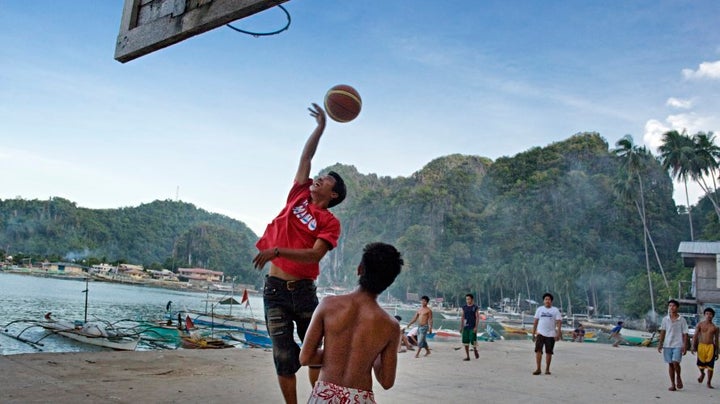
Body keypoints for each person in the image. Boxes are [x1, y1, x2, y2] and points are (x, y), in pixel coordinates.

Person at [252, 103, 347, 404]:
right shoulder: (298, 195)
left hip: (304, 292)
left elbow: (315, 255)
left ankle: (317, 401)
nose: (317, 179)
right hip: (275, 290)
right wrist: (320, 129)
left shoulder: (330, 221)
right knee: (283, 355)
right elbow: (306, 157)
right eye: (318, 177)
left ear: (332, 195)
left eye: (324, 180)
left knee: (315, 354)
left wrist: (277, 250)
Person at [299, 242, 404, 404]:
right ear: (389, 282)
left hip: (324, 395)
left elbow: (305, 358)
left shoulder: (328, 305)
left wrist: (334, 354)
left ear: (359, 269)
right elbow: (387, 381)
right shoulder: (390, 326)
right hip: (360, 398)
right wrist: (373, 354)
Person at [658, 299, 689, 392]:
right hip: (667, 344)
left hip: (678, 344)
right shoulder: (665, 319)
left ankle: (678, 377)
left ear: (677, 307)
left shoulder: (682, 319)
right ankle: (673, 384)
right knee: (670, 364)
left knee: (676, 362)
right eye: (670, 306)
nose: (672, 307)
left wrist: (685, 345)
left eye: (673, 306)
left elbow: (685, 333)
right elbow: (663, 331)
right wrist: (660, 343)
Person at [531, 292, 562, 375]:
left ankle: (547, 369)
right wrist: (533, 333)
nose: (547, 301)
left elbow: (559, 322)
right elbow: (535, 322)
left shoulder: (555, 310)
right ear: (543, 301)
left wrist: (558, 334)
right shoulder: (539, 309)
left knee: (549, 352)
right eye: (546, 299)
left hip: (551, 334)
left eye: (549, 299)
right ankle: (538, 369)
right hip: (540, 333)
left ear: (551, 301)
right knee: (538, 351)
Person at [691, 307, 719, 389]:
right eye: (707, 314)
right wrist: (693, 346)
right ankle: (702, 373)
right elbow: (695, 336)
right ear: (704, 315)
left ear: (713, 316)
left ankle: (709, 382)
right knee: (700, 364)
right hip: (701, 346)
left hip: (711, 347)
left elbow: (716, 340)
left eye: (710, 314)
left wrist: (717, 351)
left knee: (711, 366)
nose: (708, 315)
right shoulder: (700, 324)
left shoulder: (715, 327)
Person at [459, 293, 480, 361]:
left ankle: (475, 349)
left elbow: (477, 317)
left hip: (472, 326)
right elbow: (462, 317)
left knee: (473, 340)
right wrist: (461, 327)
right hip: (465, 327)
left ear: (472, 299)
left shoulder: (475, 307)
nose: (467, 300)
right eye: (466, 299)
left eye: (468, 299)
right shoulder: (464, 307)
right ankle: (468, 356)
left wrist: (476, 327)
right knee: (465, 342)